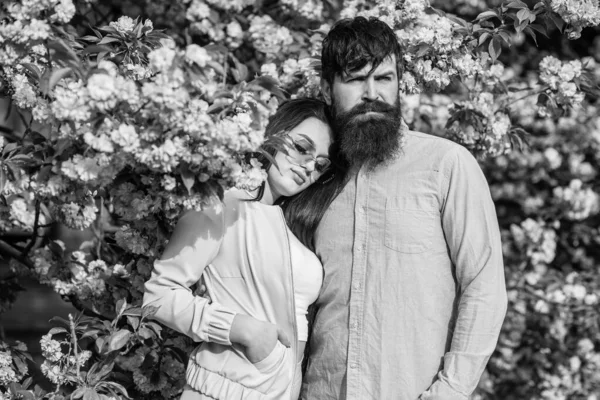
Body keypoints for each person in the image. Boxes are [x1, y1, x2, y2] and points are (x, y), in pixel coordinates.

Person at [300, 17, 508, 400]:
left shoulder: (446, 165)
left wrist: (449, 392)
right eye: (354, 79)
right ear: (328, 90)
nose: (371, 93)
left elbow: (484, 286)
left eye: (383, 78)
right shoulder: (312, 178)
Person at [143, 98, 339, 400]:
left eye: (321, 163)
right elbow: (158, 296)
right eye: (302, 148)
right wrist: (242, 330)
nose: (309, 166)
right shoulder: (222, 203)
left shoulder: (285, 222)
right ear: (275, 133)